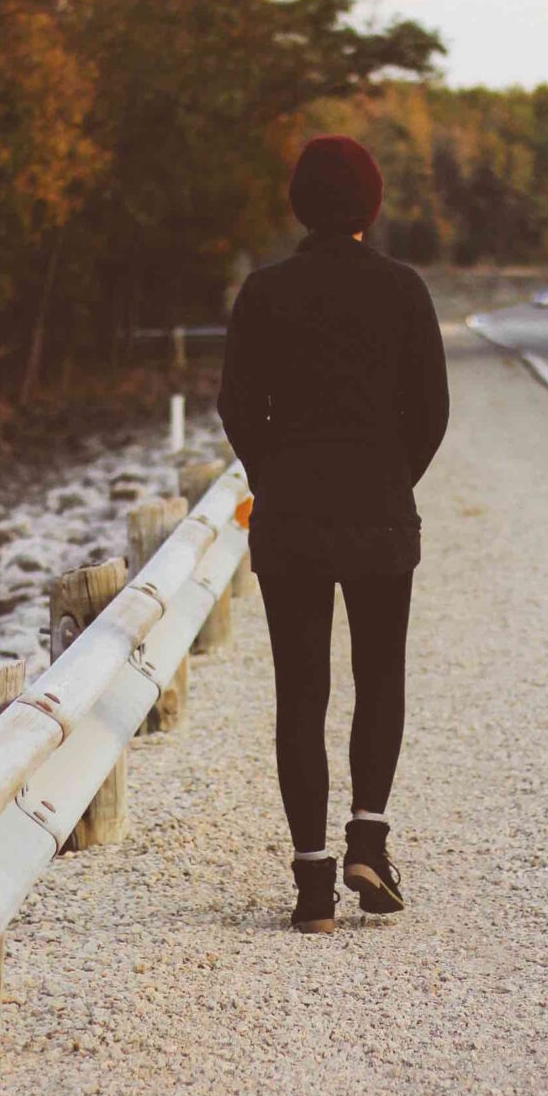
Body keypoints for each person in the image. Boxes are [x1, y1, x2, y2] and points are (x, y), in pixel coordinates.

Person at [218, 135, 450, 934]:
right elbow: (431, 412)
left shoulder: (265, 293)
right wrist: (390, 476)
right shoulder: (404, 290)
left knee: (301, 691)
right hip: (381, 510)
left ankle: (312, 883)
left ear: (299, 205)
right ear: (372, 204)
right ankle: (369, 839)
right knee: (380, 676)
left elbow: (237, 408)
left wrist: (274, 476)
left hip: (292, 515)